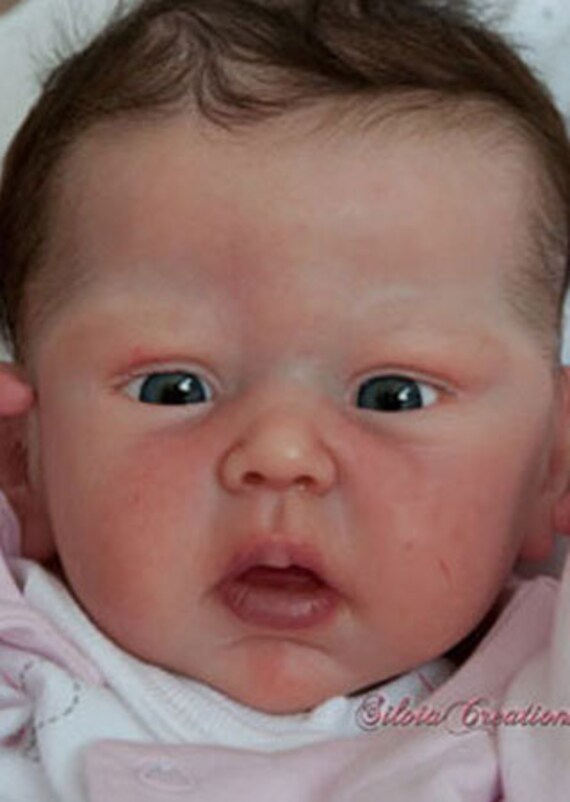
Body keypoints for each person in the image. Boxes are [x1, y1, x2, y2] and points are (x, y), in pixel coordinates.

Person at [0, 0, 570, 799]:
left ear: (552, 464)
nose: (281, 454)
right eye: (173, 388)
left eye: (394, 395)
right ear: (21, 456)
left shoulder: (539, 705)